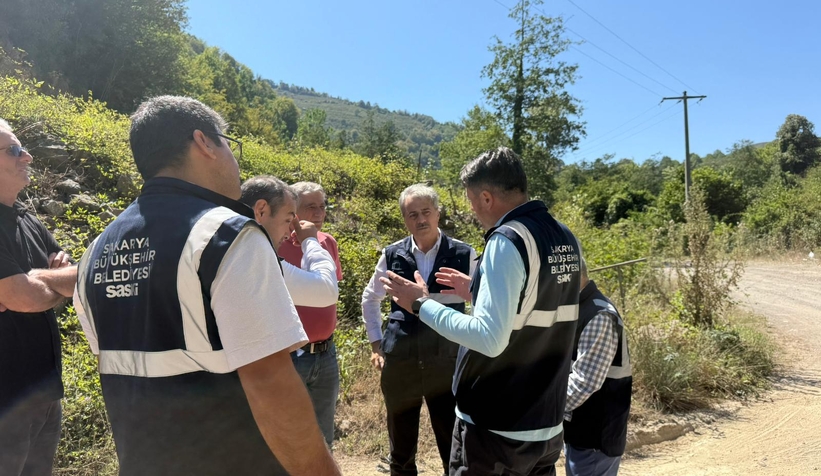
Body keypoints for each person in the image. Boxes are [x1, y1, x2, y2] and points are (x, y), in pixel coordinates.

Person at [73, 96, 340, 476]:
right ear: (204, 143)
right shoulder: (227, 235)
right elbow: (270, 384)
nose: (235, 159)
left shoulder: (96, 251)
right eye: (230, 144)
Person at [382, 147, 581, 476]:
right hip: (545, 425)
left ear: (487, 198)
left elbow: (489, 338)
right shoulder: (564, 237)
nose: (472, 210)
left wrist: (420, 303)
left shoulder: (506, 240)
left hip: (497, 429)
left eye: (472, 201)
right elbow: (536, 306)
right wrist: (477, 290)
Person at [361, 183, 477, 476]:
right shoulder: (392, 255)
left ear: (438, 213)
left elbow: (487, 302)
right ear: (405, 219)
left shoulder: (465, 254)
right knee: (400, 449)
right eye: (412, 214)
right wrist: (376, 344)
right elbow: (370, 298)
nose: (421, 219)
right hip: (401, 364)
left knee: (454, 447)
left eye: (426, 211)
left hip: (447, 364)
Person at [0, 118, 77, 476]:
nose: (27, 156)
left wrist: (37, 281)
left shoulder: (28, 221)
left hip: (45, 393)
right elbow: (21, 297)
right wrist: (51, 283)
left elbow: (77, 279)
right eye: (14, 150)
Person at [276, 181, 344, 448]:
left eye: (322, 206)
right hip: (290, 355)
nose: (318, 213)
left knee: (324, 434)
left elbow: (331, 289)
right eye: (310, 207)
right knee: (289, 434)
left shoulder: (327, 243)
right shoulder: (277, 246)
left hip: (326, 353)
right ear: (293, 211)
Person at [563, 258, 632, 476]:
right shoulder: (578, 308)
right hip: (581, 433)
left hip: (595, 438)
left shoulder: (598, 315)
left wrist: (542, 410)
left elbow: (584, 383)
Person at [239, 175, 338, 309]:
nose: (287, 233)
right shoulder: (257, 255)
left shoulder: (230, 240)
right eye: (287, 220)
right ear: (261, 211)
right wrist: (310, 241)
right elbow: (327, 290)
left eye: (322, 206)